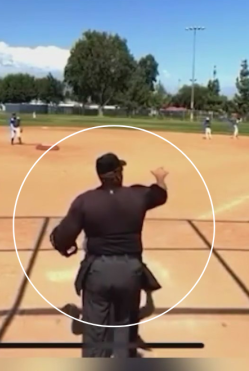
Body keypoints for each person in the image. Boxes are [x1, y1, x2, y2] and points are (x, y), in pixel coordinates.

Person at [49, 153, 169, 358]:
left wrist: (62, 244)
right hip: (130, 270)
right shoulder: (137, 195)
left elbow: (62, 238)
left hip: (98, 270)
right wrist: (160, 178)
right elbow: (160, 195)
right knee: (125, 326)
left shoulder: (85, 200)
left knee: (95, 330)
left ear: (100, 175)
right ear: (119, 173)